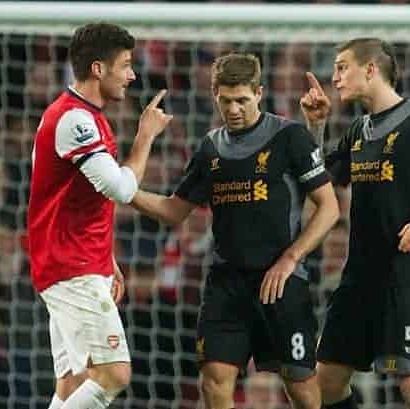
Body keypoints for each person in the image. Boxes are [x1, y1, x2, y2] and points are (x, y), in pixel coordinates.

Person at [130, 52, 339, 409]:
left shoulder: (289, 137)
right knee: (214, 381)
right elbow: (173, 210)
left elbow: (329, 207)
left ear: (259, 93)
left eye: (242, 99)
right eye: (226, 101)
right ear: (215, 96)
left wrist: (290, 258)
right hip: (226, 285)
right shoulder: (210, 147)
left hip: (281, 282)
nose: (234, 109)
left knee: (302, 388)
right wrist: (123, 190)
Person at [299, 38, 410, 409]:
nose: (335, 77)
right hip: (359, 274)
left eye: (343, 67)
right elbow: (320, 184)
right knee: (326, 383)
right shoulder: (358, 130)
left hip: (405, 272)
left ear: (371, 69)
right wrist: (316, 128)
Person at [27, 22, 172, 409]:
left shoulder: (83, 116)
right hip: (69, 266)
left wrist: (105, 260)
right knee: (113, 374)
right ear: (98, 69)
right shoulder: (74, 120)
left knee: (73, 384)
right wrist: (145, 137)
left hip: (77, 262)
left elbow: (76, 200)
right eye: (125, 65)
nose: (132, 74)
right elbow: (121, 189)